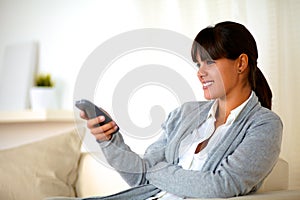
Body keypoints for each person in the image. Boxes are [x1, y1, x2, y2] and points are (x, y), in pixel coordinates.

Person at [54, 21, 283, 199]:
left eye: (209, 62)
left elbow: (222, 184)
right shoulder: (185, 114)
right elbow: (139, 177)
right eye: (198, 64)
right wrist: (109, 139)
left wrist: (154, 172)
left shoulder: (264, 125)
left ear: (241, 63)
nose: (200, 73)